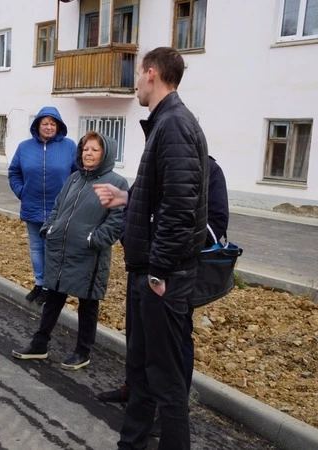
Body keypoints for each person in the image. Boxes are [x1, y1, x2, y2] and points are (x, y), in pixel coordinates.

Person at [93, 47, 208, 450]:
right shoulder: (164, 123)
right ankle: (132, 444)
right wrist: (128, 200)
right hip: (148, 272)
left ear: (153, 74)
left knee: (166, 381)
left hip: (163, 278)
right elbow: (165, 191)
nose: (135, 82)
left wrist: (158, 270)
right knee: (141, 371)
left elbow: (180, 207)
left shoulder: (174, 124)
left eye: (138, 74)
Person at [97, 155, 229, 408]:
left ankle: (169, 408)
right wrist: (129, 238)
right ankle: (135, 390)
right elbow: (132, 206)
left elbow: (216, 224)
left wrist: (172, 252)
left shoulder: (208, 169)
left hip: (174, 273)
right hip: (141, 267)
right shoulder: (155, 164)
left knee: (174, 342)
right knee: (137, 334)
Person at [12, 131, 128, 369]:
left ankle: (83, 351)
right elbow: (57, 207)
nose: (88, 153)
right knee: (53, 297)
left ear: (106, 154)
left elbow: (116, 222)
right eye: (85, 149)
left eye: (95, 150)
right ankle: (39, 344)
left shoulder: (115, 183)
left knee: (88, 303)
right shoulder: (74, 179)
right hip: (62, 251)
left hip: (89, 255)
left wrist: (92, 240)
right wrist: (49, 228)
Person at [8, 107, 78, 305]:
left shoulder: (69, 146)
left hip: (59, 210)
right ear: (37, 125)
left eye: (53, 123)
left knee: (52, 248)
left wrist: (70, 198)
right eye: (45, 123)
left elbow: (78, 174)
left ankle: (49, 287)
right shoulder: (24, 147)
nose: (49, 127)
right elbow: (14, 172)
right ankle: (39, 283)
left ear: (59, 126)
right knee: (37, 248)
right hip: (32, 206)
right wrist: (22, 192)